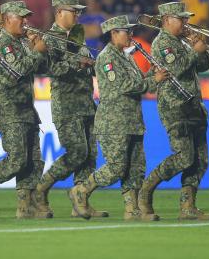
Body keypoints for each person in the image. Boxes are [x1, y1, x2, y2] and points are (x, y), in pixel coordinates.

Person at [68, 15, 167, 221]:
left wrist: (152, 75)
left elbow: (137, 80)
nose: (131, 35)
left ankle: (132, 210)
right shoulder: (107, 58)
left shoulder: (126, 56)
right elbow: (123, 86)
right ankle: (81, 191)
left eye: (131, 31)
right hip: (113, 122)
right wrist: (153, 81)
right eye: (126, 31)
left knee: (136, 166)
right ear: (113, 34)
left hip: (132, 120)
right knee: (116, 167)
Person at [134, 2, 209, 221]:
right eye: (182, 19)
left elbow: (203, 66)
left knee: (200, 159)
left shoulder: (183, 42)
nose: (186, 23)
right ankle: (146, 189)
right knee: (184, 157)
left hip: (194, 104)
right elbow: (174, 69)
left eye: (186, 18)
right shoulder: (162, 43)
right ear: (168, 20)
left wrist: (201, 49)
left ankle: (188, 206)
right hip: (175, 107)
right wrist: (194, 53)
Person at [31, 0, 107, 219]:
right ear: (59, 13)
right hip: (66, 105)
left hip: (86, 102)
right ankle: (41, 189)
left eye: (78, 11)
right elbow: (49, 69)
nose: (77, 15)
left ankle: (80, 202)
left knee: (90, 155)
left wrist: (94, 66)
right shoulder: (50, 38)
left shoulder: (76, 36)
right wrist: (77, 63)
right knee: (77, 152)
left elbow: (81, 64)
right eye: (73, 11)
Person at [0, 1, 48, 219]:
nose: (26, 22)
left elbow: (40, 66)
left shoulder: (21, 42)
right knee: (17, 160)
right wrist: (36, 52)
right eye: (21, 17)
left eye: (26, 17)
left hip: (26, 108)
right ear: (6, 20)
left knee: (34, 160)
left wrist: (37, 48)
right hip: (10, 109)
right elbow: (16, 72)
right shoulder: (3, 43)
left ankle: (25, 207)